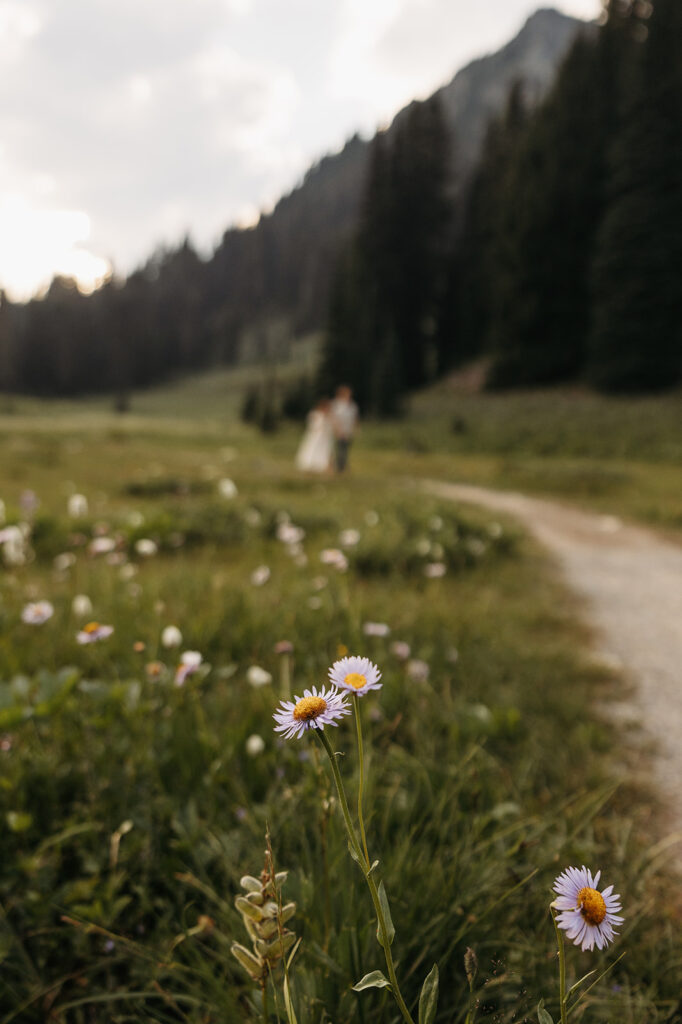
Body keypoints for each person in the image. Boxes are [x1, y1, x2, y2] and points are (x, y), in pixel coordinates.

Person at [295, 398, 333, 473]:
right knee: (312, 449)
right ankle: (309, 463)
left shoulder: (329, 416)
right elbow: (312, 425)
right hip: (316, 436)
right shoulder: (315, 414)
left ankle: (321, 465)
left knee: (324, 451)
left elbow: (331, 426)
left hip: (324, 437)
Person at [330, 385, 358, 473]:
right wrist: (337, 429)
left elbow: (355, 418)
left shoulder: (352, 405)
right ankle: (338, 466)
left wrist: (355, 429)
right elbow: (334, 417)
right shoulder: (336, 404)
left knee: (345, 449)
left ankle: (343, 465)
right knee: (339, 449)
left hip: (348, 430)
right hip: (339, 430)